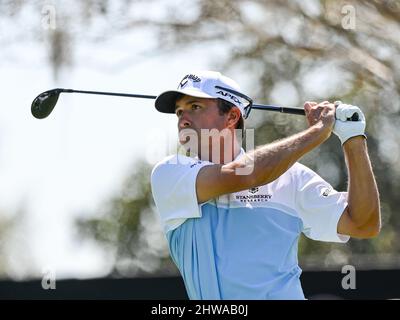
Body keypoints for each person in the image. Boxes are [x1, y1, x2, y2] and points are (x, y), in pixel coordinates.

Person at [150, 70, 380, 300]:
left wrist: (353, 139)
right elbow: (243, 175)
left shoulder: (291, 177)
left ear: (231, 117)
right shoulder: (170, 173)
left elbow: (363, 224)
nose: (183, 119)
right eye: (179, 111)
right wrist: (317, 131)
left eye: (195, 107)